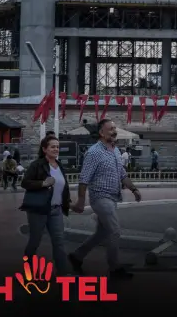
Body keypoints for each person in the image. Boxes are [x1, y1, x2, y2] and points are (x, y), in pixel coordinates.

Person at [69, 119, 141, 279]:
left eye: (115, 128)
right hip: (100, 197)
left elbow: (122, 174)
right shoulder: (94, 152)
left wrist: (134, 189)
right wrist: (80, 201)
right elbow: (84, 178)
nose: (114, 131)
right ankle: (114, 268)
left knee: (102, 233)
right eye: (111, 129)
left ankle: (77, 256)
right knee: (115, 231)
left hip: (113, 197)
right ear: (101, 133)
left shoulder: (115, 151)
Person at [20, 135, 70, 274]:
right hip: (39, 209)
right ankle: (28, 269)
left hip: (56, 210)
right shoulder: (37, 165)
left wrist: (67, 203)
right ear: (44, 149)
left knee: (59, 242)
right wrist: (42, 183)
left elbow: (62, 187)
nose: (56, 149)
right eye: (52, 147)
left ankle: (63, 273)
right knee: (35, 241)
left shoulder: (59, 165)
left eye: (57, 147)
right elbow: (25, 183)